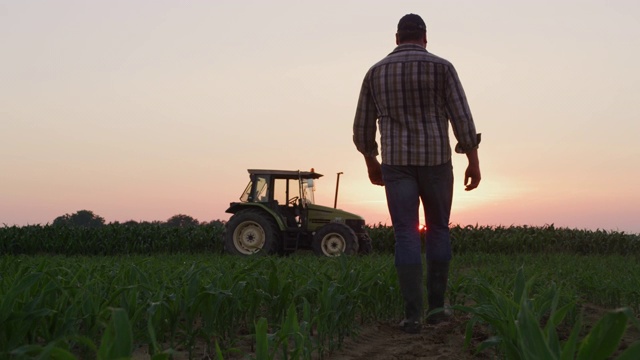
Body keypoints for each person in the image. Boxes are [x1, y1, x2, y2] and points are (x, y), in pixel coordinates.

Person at [352, 13, 481, 334]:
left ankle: (412, 316)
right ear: (425, 37)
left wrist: (371, 162)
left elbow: (362, 127)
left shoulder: (375, 72)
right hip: (436, 162)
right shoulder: (443, 68)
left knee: (405, 233)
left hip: (396, 164)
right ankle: (437, 310)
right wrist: (473, 160)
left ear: (396, 38)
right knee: (438, 228)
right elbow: (462, 118)